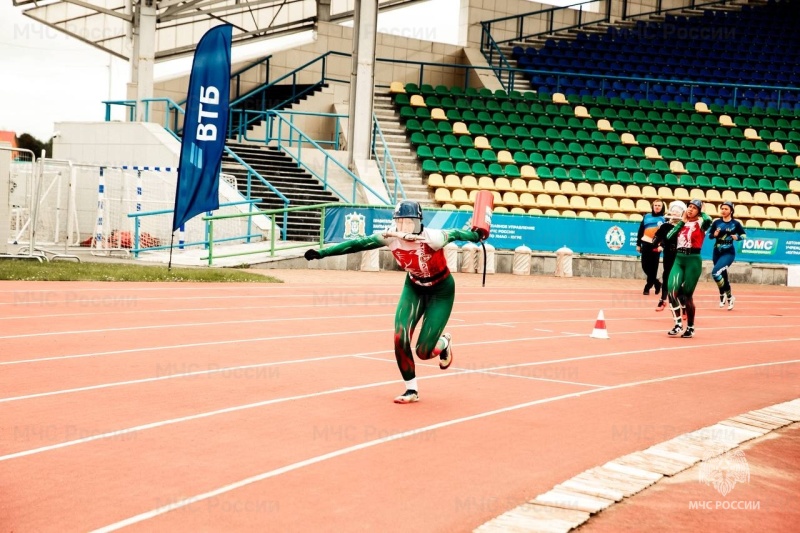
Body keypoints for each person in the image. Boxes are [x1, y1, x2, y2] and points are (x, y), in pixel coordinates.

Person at [304, 200, 484, 404]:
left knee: (424, 352)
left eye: (409, 222)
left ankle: (444, 343)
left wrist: (475, 236)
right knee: (400, 336)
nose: (403, 227)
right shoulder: (389, 237)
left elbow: (455, 234)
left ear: (418, 222)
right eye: (399, 222)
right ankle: (411, 390)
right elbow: (357, 244)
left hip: (440, 291)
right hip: (414, 287)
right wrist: (322, 253)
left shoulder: (432, 238)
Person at [665, 199, 712, 338]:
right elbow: (668, 237)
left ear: (699, 211)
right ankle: (678, 324)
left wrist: (702, 211)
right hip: (679, 259)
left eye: (694, 208)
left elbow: (709, 219)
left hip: (693, 260)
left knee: (686, 296)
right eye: (689, 207)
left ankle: (690, 327)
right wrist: (682, 221)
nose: (690, 209)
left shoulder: (702, 224)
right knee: (672, 290)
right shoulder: (681, 223)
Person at [708, 201, 746, 310]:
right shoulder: (716, 222)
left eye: (726, 209)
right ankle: (728, 296)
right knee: (723, 276)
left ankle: (723, 294)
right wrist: (714, 234)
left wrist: (738, 238)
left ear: (731, 211)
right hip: (717, 252)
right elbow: (710, 235)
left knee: (715, 273)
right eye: (722, 208)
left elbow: (744, 235)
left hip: (728, 252)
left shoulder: (736, 224)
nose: (723, 211)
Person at [651, 200, 686, 312]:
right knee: (666, 276)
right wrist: (656, 242)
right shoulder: (665, 226)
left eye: (678, 211)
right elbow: (657, 239)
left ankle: (684, 306)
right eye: (673, 210)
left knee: (678, 281)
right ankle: (662, 300)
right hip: (669, 254)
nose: (675, 213)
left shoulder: (685, 226)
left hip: (681, 255)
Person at [636, 199, 666, 295]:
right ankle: (657, 283)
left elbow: (666, 235)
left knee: (653, 267)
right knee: (645, 265)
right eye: (655, 205)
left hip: (656, 245)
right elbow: (640, 230)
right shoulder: (646, 216)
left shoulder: (664, 219)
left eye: (659, 205)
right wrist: (638, 244)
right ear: (652, 206)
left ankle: (647, 287)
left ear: (662, 207)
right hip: (645, 243)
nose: (657, 207)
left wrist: (662, 245)